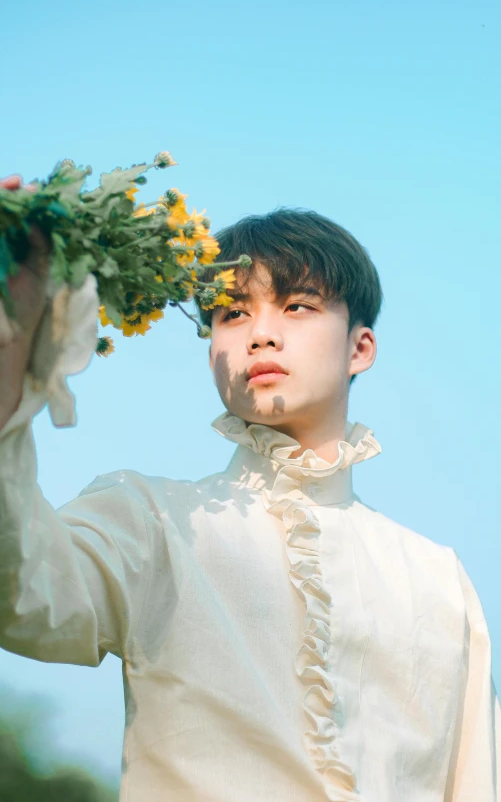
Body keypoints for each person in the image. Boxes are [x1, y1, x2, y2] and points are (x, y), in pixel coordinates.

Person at [0, 175, 499, 802]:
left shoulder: (438, 580)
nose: (259, 333)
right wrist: (11, 345)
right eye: (231, 313)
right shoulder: (152, 521)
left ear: (360, 347)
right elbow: (23, 597)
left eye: (297, 305)